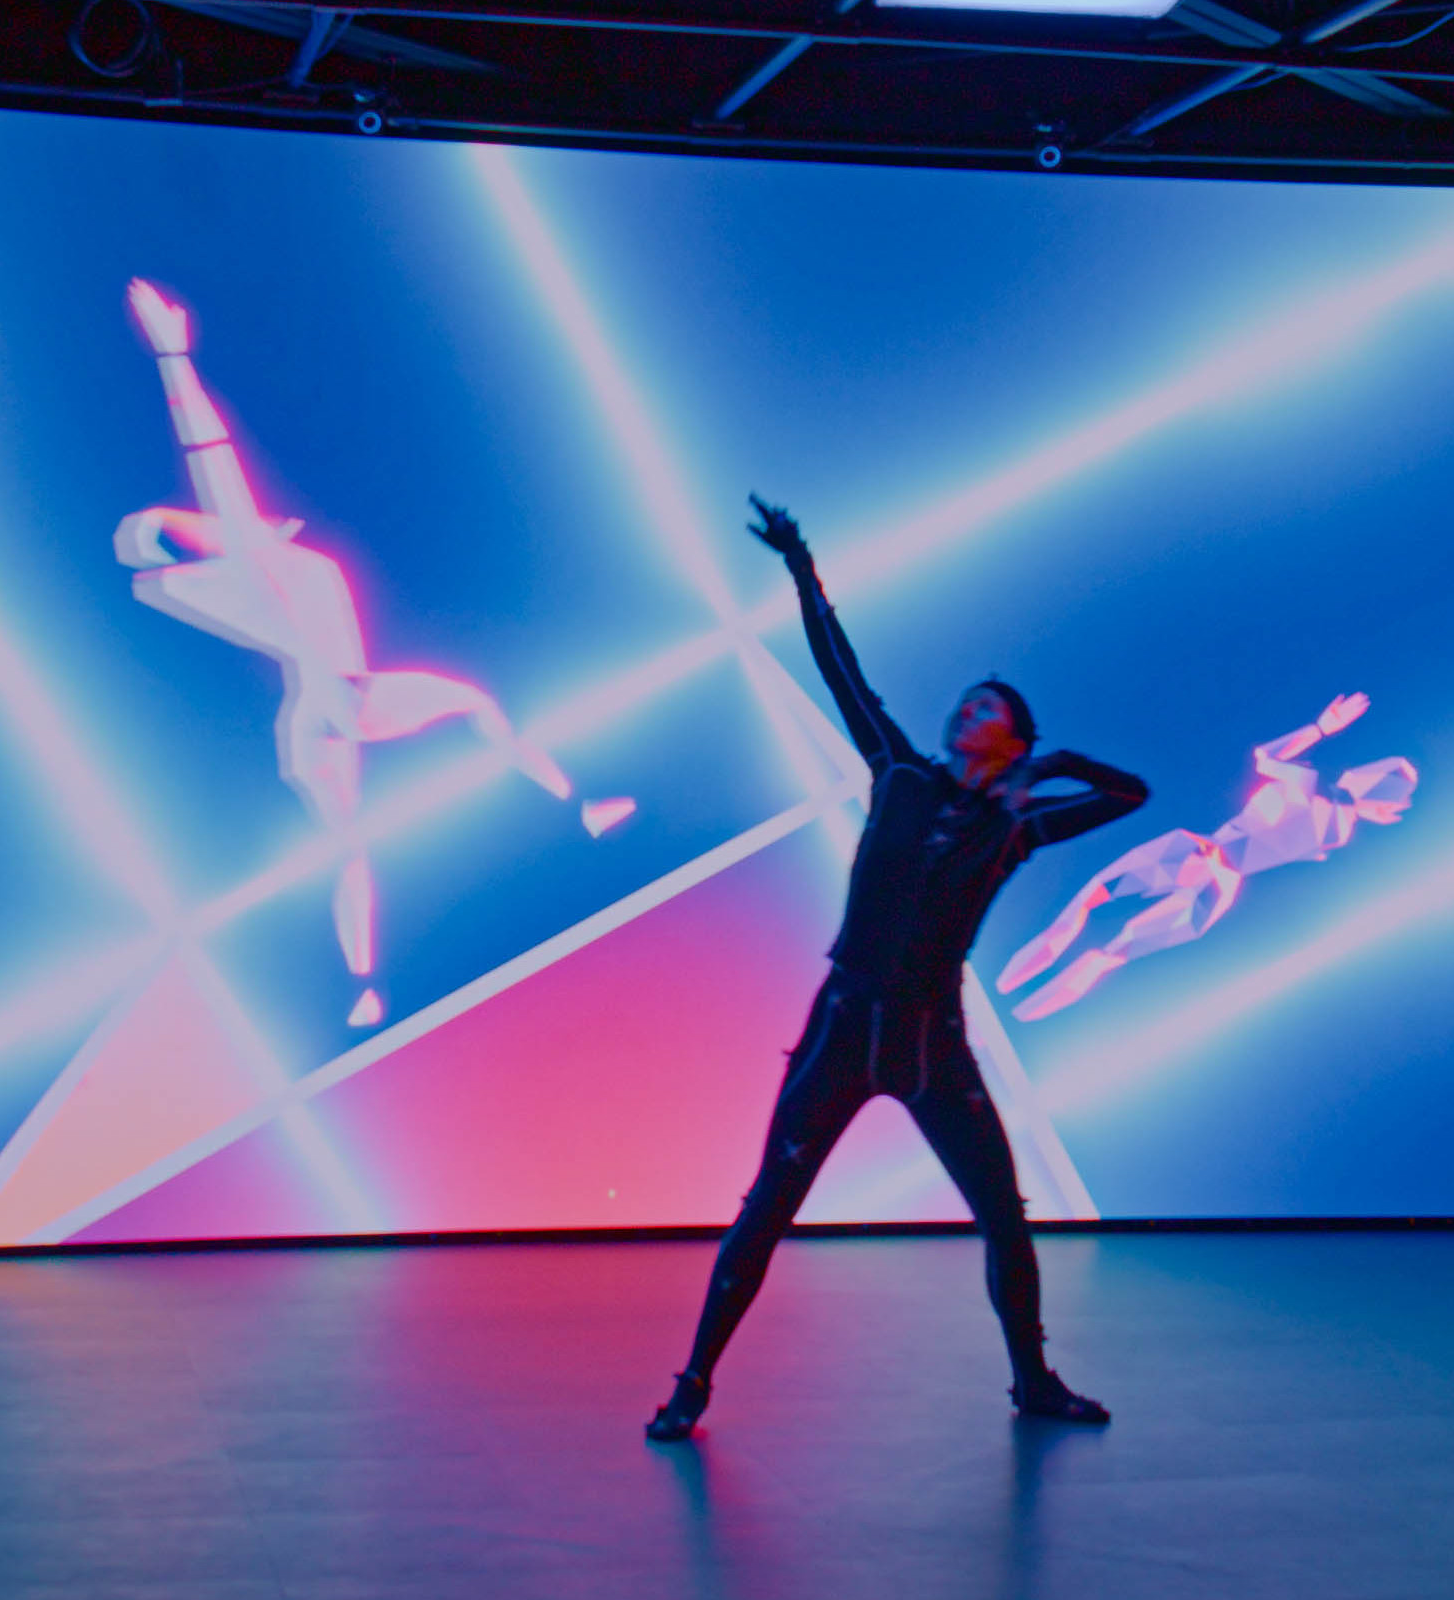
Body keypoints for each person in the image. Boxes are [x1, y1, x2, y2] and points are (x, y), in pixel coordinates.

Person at [645, 496, 1148, 1443]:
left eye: (990, 706)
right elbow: (841, 670)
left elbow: (1132, 795)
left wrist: (1054, 765)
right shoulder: (901, 774)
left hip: (933, 1048)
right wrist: (801, 567)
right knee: (766, 1210)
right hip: (842, 1028)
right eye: (966, 698)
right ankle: (693, 1384)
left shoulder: (1016, 830)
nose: (968, 706)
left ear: (1014, 741)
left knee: (1006, 1219)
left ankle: (1033, 1383)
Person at [113, 279, 631, 1029]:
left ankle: (572, 815)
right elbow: (210, 456)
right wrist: (172, 354)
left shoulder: (277, 565)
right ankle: (370, 976)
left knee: (424, 763)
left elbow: (218, 497)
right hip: (332, 704)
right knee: (354, 843)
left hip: (344, 701)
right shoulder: (259, 569)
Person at [994, 694, 1417, 1020]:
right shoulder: (1335, 836)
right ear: (1385, 810)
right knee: (1114, 950)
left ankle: (1011, 986)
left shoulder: (1309, 787)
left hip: (1200, 853)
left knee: (1094, 902)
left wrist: (1321, 729)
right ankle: (1020, 1004)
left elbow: (1267, 758)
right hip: (1221, 886)